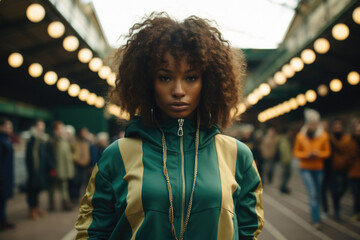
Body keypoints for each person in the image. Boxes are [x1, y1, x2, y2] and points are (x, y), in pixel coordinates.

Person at [75, 13, 263, 240]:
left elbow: (248, 230)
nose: (178, 90)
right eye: (165, 77)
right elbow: (93, 232)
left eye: (191, 77)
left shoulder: (237, 156)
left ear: (208, 82)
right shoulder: (118, 156)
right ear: (147, 82)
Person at [293, 108, 331, 229]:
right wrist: (306, 155)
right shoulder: (300, 136)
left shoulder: (323, 136)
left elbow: (327, 152)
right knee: (312, 192)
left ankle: (317, 213)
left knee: (318, 193)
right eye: (310, 123)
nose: (312, 126)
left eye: (314, 123)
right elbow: (296, 152)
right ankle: (315, 219)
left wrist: (318, 153)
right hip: (305, 168)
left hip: (318, 167)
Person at [25, 119, 54, 219]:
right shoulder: (32, 139)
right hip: (34, 170)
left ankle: (36, 208)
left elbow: (47, 155)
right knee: (32, 190)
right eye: (40, 126)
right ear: (35, 127)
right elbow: (29, 157)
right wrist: (32, 170)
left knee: (37, 190)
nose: (42, 128)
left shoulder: (43, 139)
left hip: (41, 170)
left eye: (43, 126)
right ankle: (32, 209)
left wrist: (50, 168)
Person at [329, 119, 352, 221]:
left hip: (345, 168)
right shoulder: (330, 139)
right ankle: (337, 210)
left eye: (339, 127)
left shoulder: (347, 139)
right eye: (336, 127)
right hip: (333, 169)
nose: (338, 129)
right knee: (334, 190)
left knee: (344, 187)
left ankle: (337, 202)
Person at [48, 121, 74, 211]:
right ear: (55, 130)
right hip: (55, 168)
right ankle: (51, 204)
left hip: (64, 168)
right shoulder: (52, 141)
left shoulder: (64, 140)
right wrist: (52, 168)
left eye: (62, 128)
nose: (62, 130)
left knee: (64, 186)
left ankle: (66, 203)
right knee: (52, 187)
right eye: (60, 128)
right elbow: (49, 155)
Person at [0, 117, 15, 231]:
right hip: (2, 177)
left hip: (6, 175)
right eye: (8, 126)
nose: (10, 128)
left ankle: (3, 220)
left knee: (3, 199)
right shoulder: (2, 140)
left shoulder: (6, 139)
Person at [69, 127, 91, 204]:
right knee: (75, 183)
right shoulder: (74, 142)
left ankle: (81, 199)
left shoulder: (87, 142)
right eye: (83, 132)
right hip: (76, 165)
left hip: (85, 166)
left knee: (83, 182)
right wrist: (77, 160)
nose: (85, 134)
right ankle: (74, 198)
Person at [348, 122, 360, 221]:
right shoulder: (350, 142)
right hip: (353, 173)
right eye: (357, 130)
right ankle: (356, 212)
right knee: (356, 194)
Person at [278, 127, 293, 194]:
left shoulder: (285, 139)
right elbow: (284, 151)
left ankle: (283, 187)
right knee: (285, 174)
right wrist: (287, 160)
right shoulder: (284, 140)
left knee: (286, 174)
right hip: (285, 161)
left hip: (286, 160)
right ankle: (283, 187)